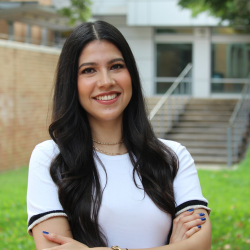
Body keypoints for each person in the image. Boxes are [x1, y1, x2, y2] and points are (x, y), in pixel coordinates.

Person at [26, 21, 211, 250]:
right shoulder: (50, 158)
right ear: (71, 83)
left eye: (116, 66)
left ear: (131, 73)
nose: (106, 81)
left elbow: (200, 245)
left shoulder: (172, 156)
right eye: (89, 70)